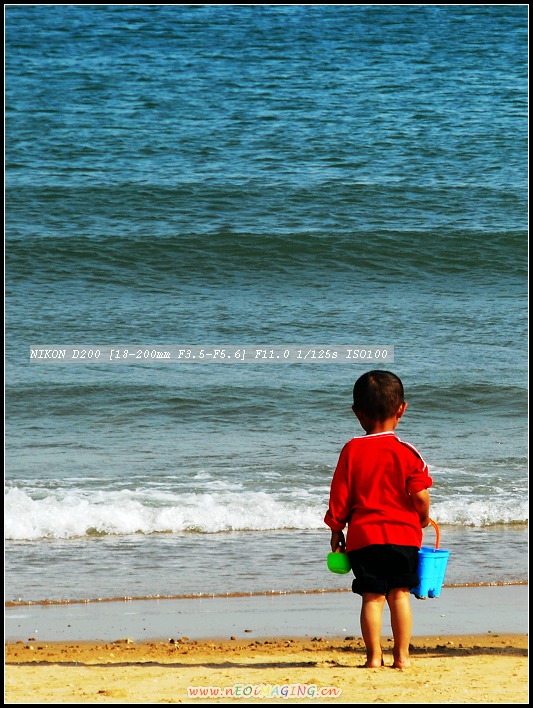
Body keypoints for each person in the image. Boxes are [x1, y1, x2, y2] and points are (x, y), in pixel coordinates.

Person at [324, 370, 432, 669]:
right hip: (404, 537)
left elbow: (340, 496)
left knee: (371, 597)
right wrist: (422, 518)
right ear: (402, 409)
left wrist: (336, 528)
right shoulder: (407, 452)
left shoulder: (351, 450)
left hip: (364, 538)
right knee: (399, 594)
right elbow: (420, 495)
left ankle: (373, 658)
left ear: (357, 413)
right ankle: (402, 657)